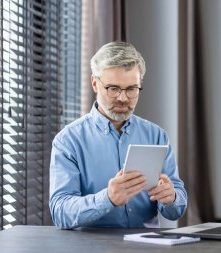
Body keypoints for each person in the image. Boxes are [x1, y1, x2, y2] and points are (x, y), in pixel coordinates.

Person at [49, 41, 187, 229]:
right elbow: (60, 212)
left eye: (131, 89)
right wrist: (108, 199)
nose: (123, 98)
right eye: (113, 88)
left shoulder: (157, 136)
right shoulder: (68, 141)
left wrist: (172, 197)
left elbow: (175, 210)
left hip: (147, 247)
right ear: (95, 83)